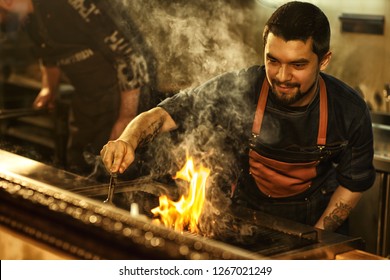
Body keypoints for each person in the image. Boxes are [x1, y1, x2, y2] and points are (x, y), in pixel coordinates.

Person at [100, 1, 375, 233]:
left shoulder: (349, 111)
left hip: (310, 220)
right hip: (247, 218)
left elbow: (352, 184)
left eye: (298, 65)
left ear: (324, 60)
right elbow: (165, 113)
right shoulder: (242, 86)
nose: (282, 76)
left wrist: (315, 240)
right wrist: (128, 140)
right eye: (273, 60)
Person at [0, 0, 157, 174]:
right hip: (86, 95)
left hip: (125, 96)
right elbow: (48, 55)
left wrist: (127, 118)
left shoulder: (73, 4)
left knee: (117, 170)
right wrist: (49, 89)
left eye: (4, 19)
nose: (9, 25)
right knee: (79, 165)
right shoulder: (30, 17)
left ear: (7, 3)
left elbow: (129, 57)